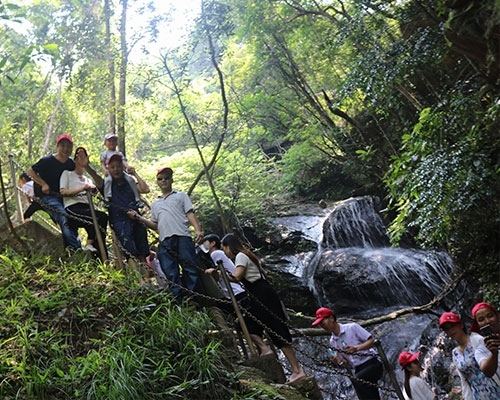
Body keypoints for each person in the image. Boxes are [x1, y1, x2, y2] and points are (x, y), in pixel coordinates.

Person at [221, 233, 306, 384]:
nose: (225, 252)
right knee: (247, 322)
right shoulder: (248, 254)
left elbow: (237, 277)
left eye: (224, 248)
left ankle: (297, 370)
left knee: (277, 329)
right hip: (260, 294)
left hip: (261, 295)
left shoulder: (240, 256)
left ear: (229, 246)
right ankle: (265, 348)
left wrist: (219, 274)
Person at [128, 167, 203, 301]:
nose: (164, 181)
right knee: (170, 271)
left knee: (190, 267)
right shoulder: (156, 204)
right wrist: (139, 218)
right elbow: (155, 224)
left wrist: (197, 229)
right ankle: (179, 299)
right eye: (160, 179)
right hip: (165, 240)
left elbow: (190, 213)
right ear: (157, 182)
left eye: (166, 178)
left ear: (171, 180)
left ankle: (194, 297)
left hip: (183, 236)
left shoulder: (180, 196)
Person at [203, 233, 273, 356]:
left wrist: (215, 273)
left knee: (244, 323)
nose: (224, 252)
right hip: (237, 292)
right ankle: (262, 349)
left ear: (213, 243)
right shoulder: (239, 255)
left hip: (236, 293)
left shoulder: (216, 254)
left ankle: (264, 349)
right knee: (247, 322)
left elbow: (231, 276)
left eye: (206, 242)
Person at [312, 306, 383, 400]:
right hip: (357, 369)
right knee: (370, 392)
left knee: (357, 381)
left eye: (322, 322)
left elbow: (372, 341)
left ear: (332, 318)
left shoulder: (352, 327)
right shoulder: (332, 341)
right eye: (320, 324)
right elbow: (346, 363)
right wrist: (338, 361)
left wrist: (357, 348)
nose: (322, 326)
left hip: (372, 363)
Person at [27, 133, 81, 251]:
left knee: (73, 219)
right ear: (57, 146)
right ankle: (76, 249)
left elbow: (78, 176)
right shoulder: (47, 160)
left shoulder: (71, 164)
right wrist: (43, 184)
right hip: (48, 197)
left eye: (68, 146)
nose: (66, 149)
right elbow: (31, 171)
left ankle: (74, 247)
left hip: (66, 198)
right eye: (63, 146)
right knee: (64, 217)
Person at [59, 147, 108, 260]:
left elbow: (94, 192)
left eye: (84, 156)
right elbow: (63, 191)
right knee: (99, 218)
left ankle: (100, 258)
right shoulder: (67, 174)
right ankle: (89, 245)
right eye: (78, 156)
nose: (81, 158)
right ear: (75, 159)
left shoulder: (87, 179)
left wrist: (93, 190)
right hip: (73, 208)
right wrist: (82, 189)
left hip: (88, 208)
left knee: (102, 219)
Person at [439, 311, 500, 400]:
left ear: (461, 325)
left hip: (493, 385)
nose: (450, 330)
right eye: (447, 329)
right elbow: (464, 380)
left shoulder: (477, 340)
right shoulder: (455, 353)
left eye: (452, 326)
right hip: (477, 393)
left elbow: (496, 361)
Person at [103, 153, 150, 265]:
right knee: (130, 251)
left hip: (136, 217)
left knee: (142, 249)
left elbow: (145, 189)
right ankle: (140, 280)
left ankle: (147, 277)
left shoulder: (130, 181)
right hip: (119, 220)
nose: (116, 169)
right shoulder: (107, 183)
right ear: (108, 168)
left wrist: (135, 173)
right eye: (112, 167)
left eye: (118, 166)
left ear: (123, 167)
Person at [470, 302, 500, 383]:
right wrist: (494, 353)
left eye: (490, 316)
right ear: (478, 325)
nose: (487, 321)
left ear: (498, 316)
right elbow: (488, 372)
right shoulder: (481, 350)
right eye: (481, 320)